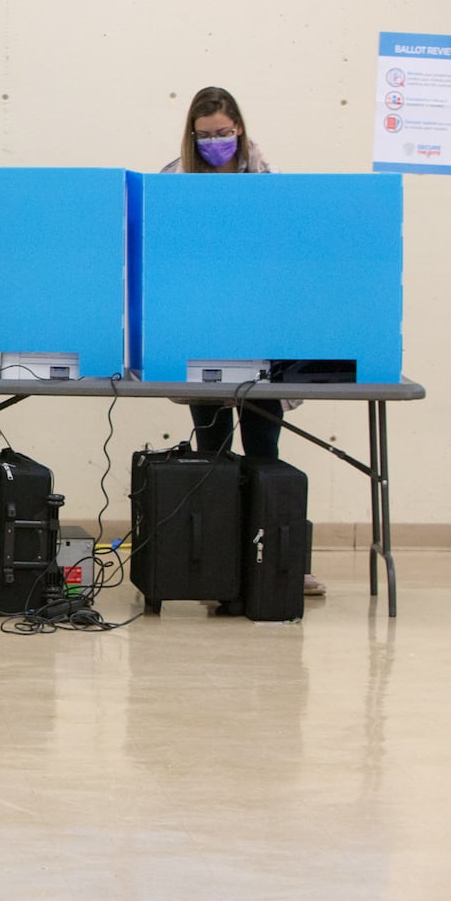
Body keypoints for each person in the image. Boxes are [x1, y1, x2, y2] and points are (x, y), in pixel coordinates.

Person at [162, 86, 322, 596]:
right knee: (212, 452)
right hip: (203, 336)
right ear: (192, 135)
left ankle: (277, 559)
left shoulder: (268, 182)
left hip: (260, 335)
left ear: (240, 130)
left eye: (223, 134)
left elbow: (288, 255)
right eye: (205, 135)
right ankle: (215, 559)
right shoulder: (174, 181)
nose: (215, 142)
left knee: (263, 451)